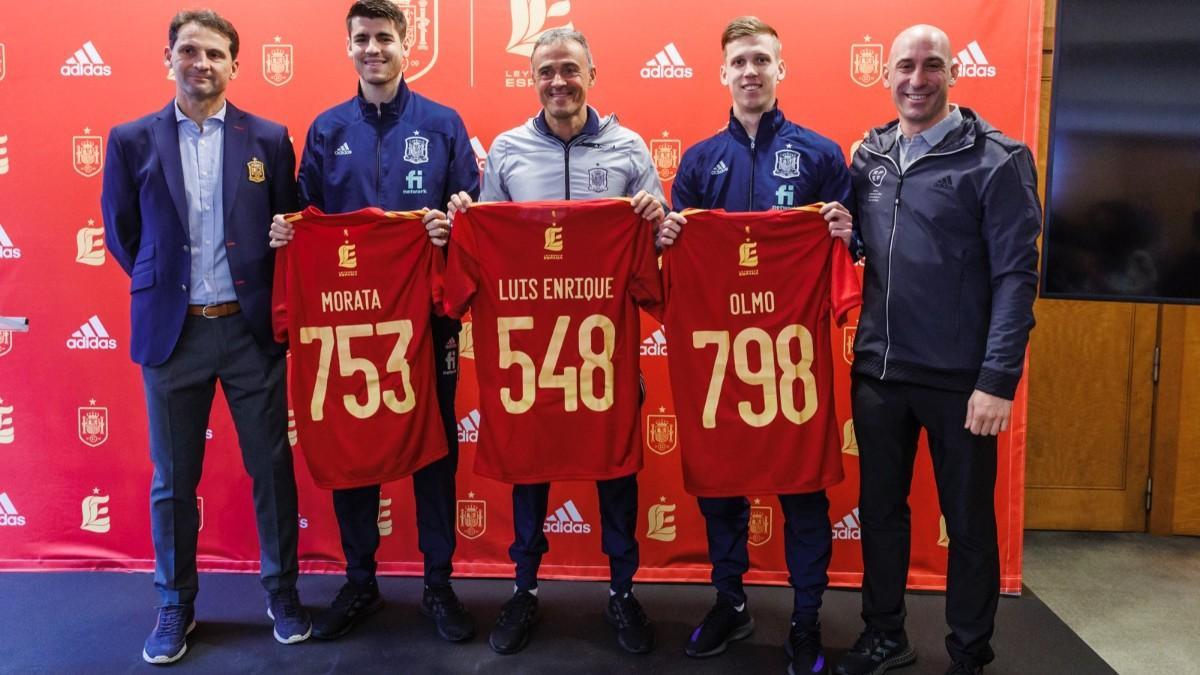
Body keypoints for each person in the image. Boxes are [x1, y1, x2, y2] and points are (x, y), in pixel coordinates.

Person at [100, 9, 310, 664]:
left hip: (249, 333)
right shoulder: (132, 138)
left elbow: (290, 219)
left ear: (235, 66)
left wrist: (286, 233)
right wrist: (167, 289)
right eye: (190, 51)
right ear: (169, 57)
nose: (203, 64)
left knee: (271, 469)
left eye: (216, 54)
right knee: (173, 479)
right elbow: (122, 232)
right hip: (173, 334)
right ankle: (174, 603)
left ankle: (281, 591)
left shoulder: (269, 138)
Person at [447, 28, 665, 656]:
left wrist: (654, 219)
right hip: (529, 360)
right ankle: (524, 590)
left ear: (592, 72)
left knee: (617, 472)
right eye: (546, 71)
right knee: (528, 473)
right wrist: (467, 219)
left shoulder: (628, 147)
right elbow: (485, 244)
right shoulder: (509, 152)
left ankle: (623, 593)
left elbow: (659, 244)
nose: (558, 81)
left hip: (604, 354)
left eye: (569, 69)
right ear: (533, 78)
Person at [268, 0, 479, 643]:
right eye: (361, 39)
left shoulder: (443, 124)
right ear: (349, 47)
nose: (373, 49)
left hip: (426, 318)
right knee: (353, 442)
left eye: (384, 38)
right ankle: (360, 582)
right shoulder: (327, 128)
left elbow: (470, 214)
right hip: (347, 324)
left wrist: (451, 223)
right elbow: (305, 215)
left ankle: (438, 585)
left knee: (435, 448)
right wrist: (286, 231)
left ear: (406, 46)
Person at [832, 24, 1041, 675]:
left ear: (953, 72)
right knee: (881, 515)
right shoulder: (868, 155)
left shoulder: (999, 160)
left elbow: (1015, 277)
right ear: (885, 72)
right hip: (880, 372)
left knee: (970, 525)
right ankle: (884, 633)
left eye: (930, 67)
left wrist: (998, 379)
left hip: (962, 383)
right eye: (904, 67)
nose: (916, 80)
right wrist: (848, 235)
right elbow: (879, 247)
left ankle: (969, 652)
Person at [660, 16, 853, 675]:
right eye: (739, 60)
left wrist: (843, 231)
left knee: (803, 493)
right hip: (719, 364)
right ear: (722, 73)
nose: (750, 71)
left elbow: (851, 260)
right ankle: (731, 601)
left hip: (791, 364)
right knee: (721, 489)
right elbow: (674, 265)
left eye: (761, 60)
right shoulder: (696, 162)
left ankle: (805, 619)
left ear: (780, 69)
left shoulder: (823, 155)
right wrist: (666, 240)